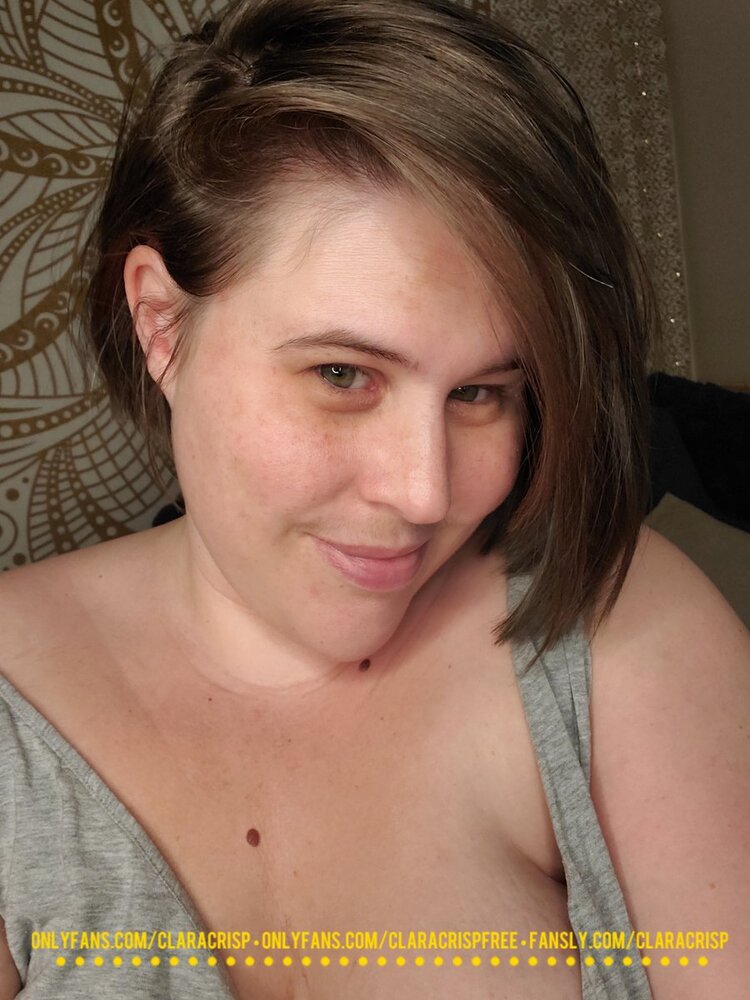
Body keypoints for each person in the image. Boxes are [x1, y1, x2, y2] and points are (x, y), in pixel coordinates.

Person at [0, 0, 747, 997]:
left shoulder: (617, 623)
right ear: (160, 324)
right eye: (343, 375)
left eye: (482, 392)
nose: (426, 492)